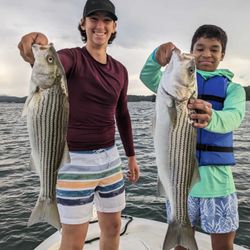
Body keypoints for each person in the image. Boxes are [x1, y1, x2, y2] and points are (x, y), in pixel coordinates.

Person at [18, 0, 140, 249]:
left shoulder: (121, 70)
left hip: (110, 159)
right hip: (73, 161)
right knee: (74, 239)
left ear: (114, 27)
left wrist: (131, 156)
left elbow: (123, 114)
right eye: (93, 19)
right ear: (83, 24)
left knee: (114, 227)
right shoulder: (71, 57)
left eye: (107, 20)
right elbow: (53, 68)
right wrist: (36, 50)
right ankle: (46, 201)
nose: (100, 25)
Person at [140, 24, 246, 250]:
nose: (206, 54)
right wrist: (156, 56)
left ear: (222, 55)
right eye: (200, 48)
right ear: (192, 50)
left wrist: (211, 117)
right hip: (178, 182)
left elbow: (234, 117)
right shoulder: (171, 84)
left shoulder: (233, 89)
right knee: (181, 245)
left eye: (214, 49)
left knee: (224, 244)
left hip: (218, 183)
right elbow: (147, 75)